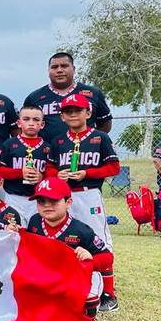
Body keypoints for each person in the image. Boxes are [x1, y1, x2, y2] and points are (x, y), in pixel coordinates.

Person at [25, 177, 117, 313]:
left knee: (87, 300)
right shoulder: (35, 222)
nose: (47, 205)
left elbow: (107, 257)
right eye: (41, 201)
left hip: (73, 278)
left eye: (54, 200)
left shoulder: (80, 230)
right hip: (45, 276)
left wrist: (90, 259)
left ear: (68, 202)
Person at [46, 94, 120, 249]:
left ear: (88, 113)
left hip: (89, 193)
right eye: (68, 111)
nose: (73, 114)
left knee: (97, 235)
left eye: (78, 110)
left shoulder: (100, 138)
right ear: (62, 116)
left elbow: (114, 168)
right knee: (65, 237)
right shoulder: (58, 141)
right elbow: (49, 168)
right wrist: (56, 175)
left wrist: (87, 173)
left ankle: (102, 270)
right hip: (64, 196)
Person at [24, 52, 112, 141]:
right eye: (54, 67)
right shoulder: (34, 97)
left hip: (84, 151)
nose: (59, 70)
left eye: (64, 66)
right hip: (48, 152)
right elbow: (25, 127)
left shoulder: (93, 93)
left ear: (73, 69)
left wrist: (90, 142)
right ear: (48, 70)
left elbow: (105, 123)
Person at [0, 105, 51, 226]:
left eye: (36, 120)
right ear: (19, 123)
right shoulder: (9, 144)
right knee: (13, 233)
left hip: (38, 199)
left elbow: (52, 173)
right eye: (26, 119)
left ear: (42, 124)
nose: (31, 123)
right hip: (14, 197)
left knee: (36, 234)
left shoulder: (48, 147)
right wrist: (20, 173)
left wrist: (42, 178)